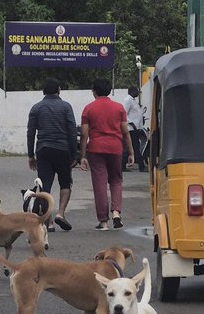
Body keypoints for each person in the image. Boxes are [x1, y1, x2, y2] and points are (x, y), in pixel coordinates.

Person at [80, 78, 134, 230]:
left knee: (100, 184)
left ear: (94, 91)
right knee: (116, 180)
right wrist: (130, 152)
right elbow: (125, 132)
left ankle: (103, 222)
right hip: (115, 148)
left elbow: (84, 134)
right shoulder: (119, 108)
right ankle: (116, 213)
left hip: (96, 149)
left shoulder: (88, 109)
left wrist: (82, 156)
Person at [27, 77, 78, 232]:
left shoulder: (36, 108)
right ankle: (61, 214)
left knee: (44, 186)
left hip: (43, 150)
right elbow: (71, 130)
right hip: (62, 150)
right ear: (59, 90)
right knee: (65, 183)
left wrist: (31, 155)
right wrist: (74, 154)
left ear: (43, 91)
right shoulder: (66, 107)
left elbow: (31, 133)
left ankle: (48, 222)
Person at [122, 84, 146, 171]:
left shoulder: (132, 100)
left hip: (136, 128)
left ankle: (123, 165)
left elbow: (134, 113)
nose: (138, 93)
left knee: (131, 146)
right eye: (136, 91)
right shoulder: (128, 100)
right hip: (131, 128)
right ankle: (141, 166)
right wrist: (131, 123)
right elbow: (124, 113)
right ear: (132, 91)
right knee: (135, 146)